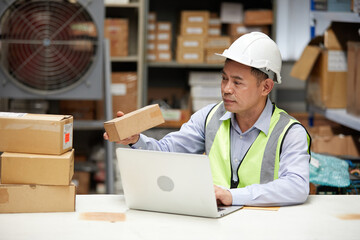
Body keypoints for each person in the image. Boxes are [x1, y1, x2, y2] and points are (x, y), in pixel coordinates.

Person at [104, 32, 311, 207]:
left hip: (265, 227)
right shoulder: (210, 117)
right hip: (215, 222)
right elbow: (168, 152)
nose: (226, 89)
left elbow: (296, 186)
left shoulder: (290, 132)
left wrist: (233, 196)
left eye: (237, 82)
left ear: (265, 87)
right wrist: (135, 140)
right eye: (224, 78)